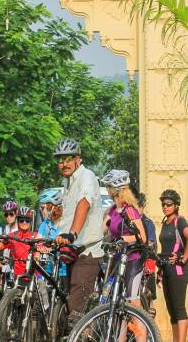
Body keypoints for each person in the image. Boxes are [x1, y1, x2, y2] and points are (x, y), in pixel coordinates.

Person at [52, 138, 104, 325]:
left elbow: (84, 203)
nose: (64, 164)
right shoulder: (67, 183)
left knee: (76, 311)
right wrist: (54, 238)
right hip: (73, 252)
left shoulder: (86, 176)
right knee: (69, 304)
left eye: (68, 159)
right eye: (60, 160)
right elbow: (67, 217)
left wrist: (72, 233)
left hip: (87, 252)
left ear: (78, 159)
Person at [101, 170, 147, 314]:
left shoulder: (130, 210)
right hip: (118, 258)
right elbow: (102, 232)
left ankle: (144, 334)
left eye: (109, 187)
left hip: (133, 259)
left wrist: (123, 239)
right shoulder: (113, 210)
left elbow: (142, 237)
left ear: (115, 190)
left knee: (132, 303)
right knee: (118, 306)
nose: (107, 190)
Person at [158, 189, 188, 342]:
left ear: (176, 205)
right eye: (163, 204)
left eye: (169, 204)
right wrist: (159, 271)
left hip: (178, 270)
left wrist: (183, 258)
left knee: (179, 309)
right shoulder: (165, 222)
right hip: (166, 269)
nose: (165, 206)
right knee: (172, 310)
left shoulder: (179, 220)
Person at [0, 206, 37, 277]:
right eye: (21, 220)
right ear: (18, 221)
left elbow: (39, 251)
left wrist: (38, 255)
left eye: (27, 220)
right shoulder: (12, 235)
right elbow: (0, 245)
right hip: (15, 275)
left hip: (33, 275)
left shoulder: (35, 236)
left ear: (30, 222)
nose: (24, 223)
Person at [37, 188, 68, 291]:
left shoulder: (65, 224)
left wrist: (51, 248)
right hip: (48, 267)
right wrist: (39, 247)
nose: (42, 211)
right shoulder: (45, 224)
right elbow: (37, 240)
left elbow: (63, 242)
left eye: (43, 208)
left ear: (52, 207)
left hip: (62, 269)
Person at [0, 200, 19, 282]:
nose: (8, 217)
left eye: (11, 214)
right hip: (4, 260)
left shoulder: (20, 229)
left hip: (16, 261)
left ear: (16, 213)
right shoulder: (2, 229)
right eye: (6, 215)